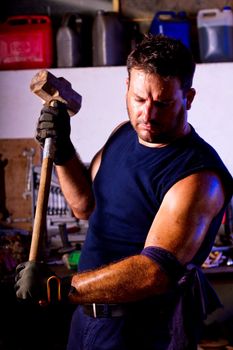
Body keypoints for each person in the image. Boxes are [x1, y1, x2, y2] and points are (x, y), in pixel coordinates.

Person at [15, 34, 233, 350]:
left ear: (189, 97)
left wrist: (59, 289)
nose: (148, 114)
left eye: (163, 102)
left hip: (139, 332)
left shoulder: (198, 177)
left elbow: (153, 272)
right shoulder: (123, 135)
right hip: (88, 319)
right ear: (127, 86)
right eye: (139, 99)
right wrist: (63, 150)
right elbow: (84, 206)